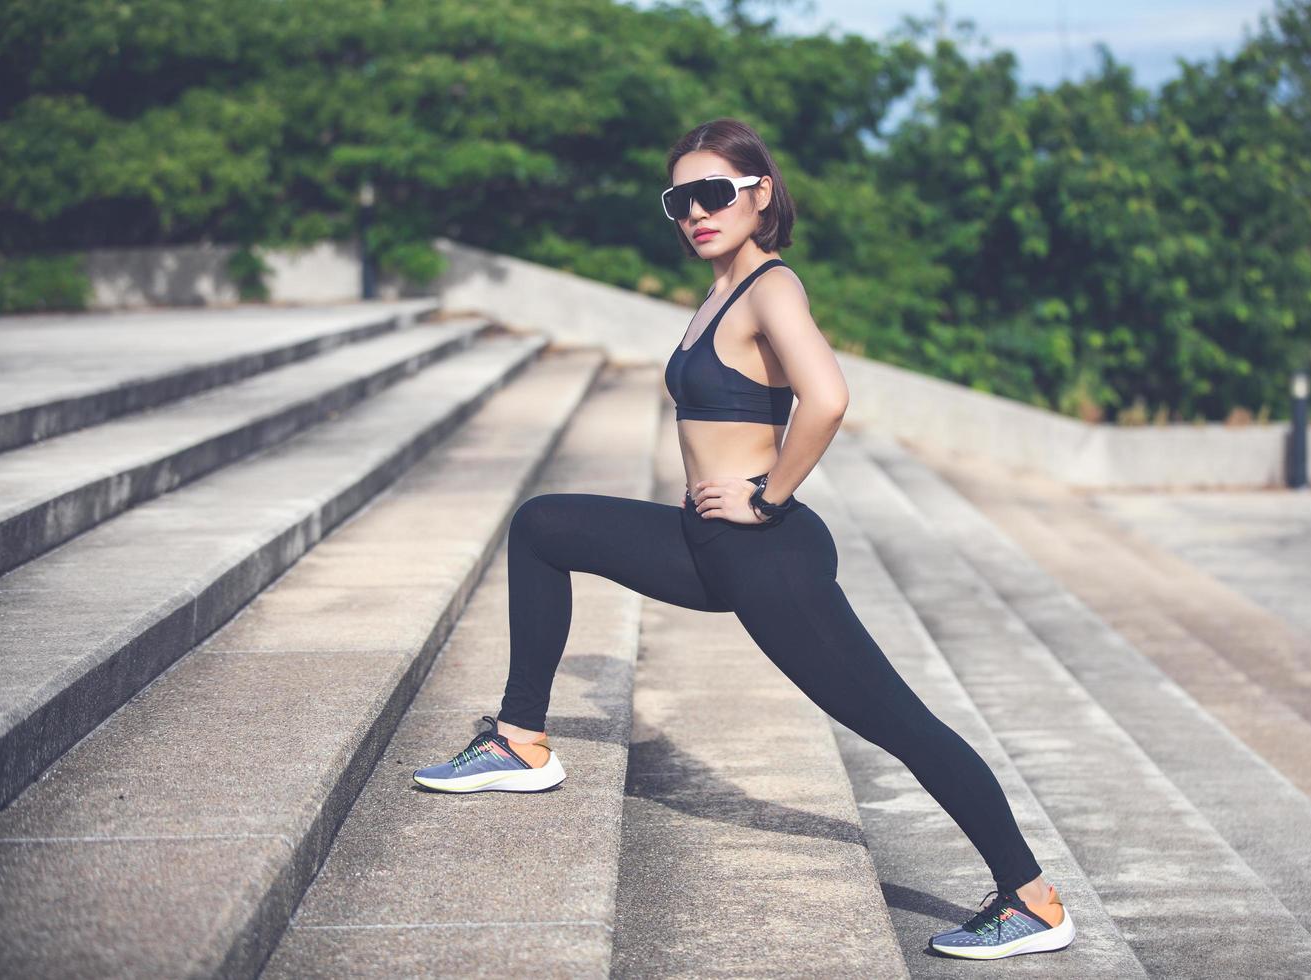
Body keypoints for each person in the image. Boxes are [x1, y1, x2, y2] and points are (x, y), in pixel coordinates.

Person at [411, 117, 1075, 961]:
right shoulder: (719, 290)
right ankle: (519, 739)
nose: (695, 211)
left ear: (759, 195)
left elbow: (826, 396)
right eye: (679, 198)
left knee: (899, 723)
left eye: (714, 193)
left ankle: (1033, 899)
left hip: (767, 557)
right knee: (544, 526)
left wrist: (768, 495)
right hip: (708, 546)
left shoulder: (770, 286)